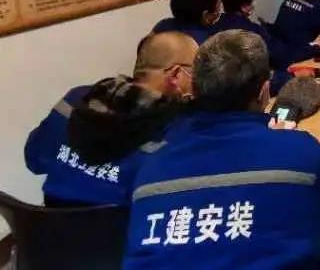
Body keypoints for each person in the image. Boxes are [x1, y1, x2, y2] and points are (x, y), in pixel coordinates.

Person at [123, 30, 320, 270]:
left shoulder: (151, 166)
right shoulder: (299, 152)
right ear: (264, 92)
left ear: (194, 88)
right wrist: (283, 143)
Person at [24, 32, 198, 207]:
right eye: (195, 71)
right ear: (176, 74)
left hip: (49, 220)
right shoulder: (176, 129)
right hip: (122, 223)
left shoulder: (75, 100)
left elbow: (33, 159)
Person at [214, 0, 320, 69]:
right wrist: (316, 49)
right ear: (244, 7)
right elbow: (282, 55)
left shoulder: (217, 25)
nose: (254, 3)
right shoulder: (253, 32)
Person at [152, 0, 221, 44]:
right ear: (205, 15)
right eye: (218, 6)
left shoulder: (162, 25)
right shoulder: (205, 43)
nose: (220, 10)